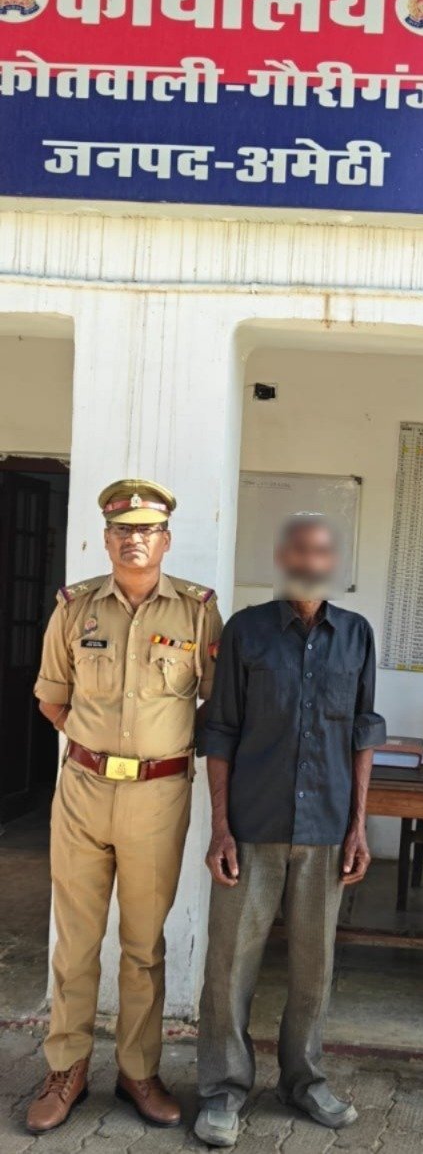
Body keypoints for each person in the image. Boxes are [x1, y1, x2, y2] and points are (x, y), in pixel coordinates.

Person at [27, 479, 223, 1134]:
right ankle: (66, 1069)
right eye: (122, 530)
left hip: (159, 798)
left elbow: (217, 704)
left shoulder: (197, 611)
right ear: (106, 539)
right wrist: (100, 751)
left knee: (142, 946)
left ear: (165, 540)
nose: (134, 539)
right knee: (75, 943)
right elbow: (51, 698)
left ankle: (139, 1071)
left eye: (146, 530)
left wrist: (154, 751)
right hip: (83, 794)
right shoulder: (74, 607)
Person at [194, 513, 386, 1148]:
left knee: (314, 967)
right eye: (299, 550)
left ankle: (303, 1081)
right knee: (229, 966)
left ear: (334, 563)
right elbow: (220, 730)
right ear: (282, 558)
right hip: (251, 826)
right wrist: (220, 829)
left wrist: (358, 827)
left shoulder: (356, 635)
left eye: (321, 551)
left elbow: (363, 733)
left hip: (326, 828)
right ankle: (223, 1089)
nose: (309, 561)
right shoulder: (246, 631)